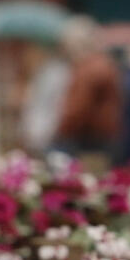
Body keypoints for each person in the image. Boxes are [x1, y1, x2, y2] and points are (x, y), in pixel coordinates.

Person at [52, 17, 122, 161]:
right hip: (101, 136)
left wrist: (61, 131)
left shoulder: (88, 69)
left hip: (88, 139)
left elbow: (78, 108)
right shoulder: (103, 64)